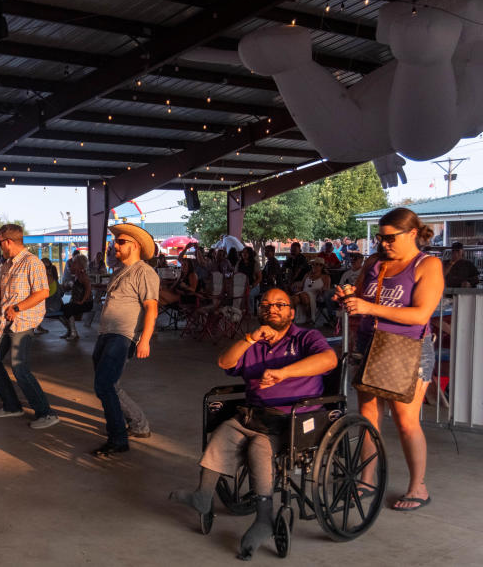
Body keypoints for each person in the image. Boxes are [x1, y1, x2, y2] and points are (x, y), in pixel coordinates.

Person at [170, 288, 336, 560]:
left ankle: (264, 519)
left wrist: (283, 373)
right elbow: (224, 361)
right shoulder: (253, 343)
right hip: (255, 414)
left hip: (293, 419)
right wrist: (249, 338)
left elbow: (329, 360)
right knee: (223, 431)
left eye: (280, 305)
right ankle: (203, 495)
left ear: (291, 312)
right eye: (267, 305)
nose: (273, 309)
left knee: (259, 445)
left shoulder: (306, 337)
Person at [336, 207, 444, 512]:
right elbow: (361, 297)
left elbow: (420, 314)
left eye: (389, 238)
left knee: (406, 420)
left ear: (412, 233)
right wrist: (348, 298)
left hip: (407, 348)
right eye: (380, 238)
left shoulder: (428, 265)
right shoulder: (374, 263)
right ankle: (366, 479)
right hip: (369, 343)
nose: (383, 243)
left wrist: (368, 309)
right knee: (368, 415)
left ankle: (418, 487)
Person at [0, 224, 59, 429]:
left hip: (23, 322)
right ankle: (12, 405)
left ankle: (46, 413)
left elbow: (43, 292)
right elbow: (2, 295)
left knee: (20, 368)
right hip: (4, 322)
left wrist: (18, 307)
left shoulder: (32, 263)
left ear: (8, 242)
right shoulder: (6, 265)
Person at [90, 223, 159, 457]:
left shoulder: (145, 272)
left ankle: (118, 438)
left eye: (121, 242)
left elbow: (151, 308)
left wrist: (145, 340)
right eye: (115, 241)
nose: (115, 245)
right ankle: (139, 425)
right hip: (106, 334)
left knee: (104, 385)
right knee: (109, 385)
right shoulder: (120, 271)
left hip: (122, 336)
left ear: (136, 246)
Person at [59, 254, 93, 340]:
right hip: (79, 302)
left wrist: (82, 301)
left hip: (86, 303)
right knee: (63, 308)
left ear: (80, 265)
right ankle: (70, 331)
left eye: (74, 263)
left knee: (68, 309)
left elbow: (88, 290)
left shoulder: (83, 276)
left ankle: (73, 333)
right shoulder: (77, 276)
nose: (72, 264)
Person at [293, 258, 330, 325]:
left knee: (303, 296)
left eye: (316, 265)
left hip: (316, 295)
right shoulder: (307, 275)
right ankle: (291, 317)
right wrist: (296, 287)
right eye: (313, 264)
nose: (314, 266)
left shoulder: (325, 277)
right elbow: (301, 286)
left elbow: (327, 289)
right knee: (295, 298)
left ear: (321, 266)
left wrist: (322, 290)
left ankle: (309, 317)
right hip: (304, 293)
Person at [34, 257, 62, 335]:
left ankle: (29, 330)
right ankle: (37, 327)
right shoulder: (50, 276)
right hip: (53, 304)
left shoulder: (47, 278)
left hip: (51, 306)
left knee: (29, 306)